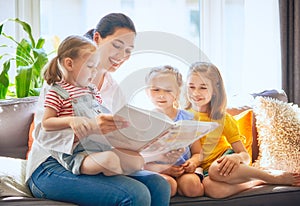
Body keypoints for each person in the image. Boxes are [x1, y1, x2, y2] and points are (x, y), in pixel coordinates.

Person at [26, 13, 172, 206]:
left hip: (95, 159)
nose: (122, 56)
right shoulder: (62, 81)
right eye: (117, 45)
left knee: (159, 184)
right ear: (97, 38)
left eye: (128, 50)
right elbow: (43, 132)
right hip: (51, 165)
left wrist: (153, 148)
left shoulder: (113, 89)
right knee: (136, 194)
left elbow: (116, 141)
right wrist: (91, 126)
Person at [185, 61, 300, 198]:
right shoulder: (183, 116)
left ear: (215, 90)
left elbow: (244, 155)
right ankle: (258, 181)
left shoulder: (222, 119)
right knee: (211, 189)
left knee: (216, 169)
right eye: (191, 87)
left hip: (226, 162)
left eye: (203, 88)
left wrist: (236, 157)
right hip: (204, 171)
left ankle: (270, 176)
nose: (195, 93)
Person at [143, 65, 204, 197]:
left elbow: (198, 153)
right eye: (156, 90)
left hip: (184, 170)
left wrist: (193, 163)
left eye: (168, 90)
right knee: (167, 186)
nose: (161, 95)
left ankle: (193, 178)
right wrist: (163, 169)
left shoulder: (188, 118)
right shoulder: (144, 121)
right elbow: (141, 161)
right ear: (147, 92)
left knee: (192, 187)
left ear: (177, 92)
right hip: (159, 170)